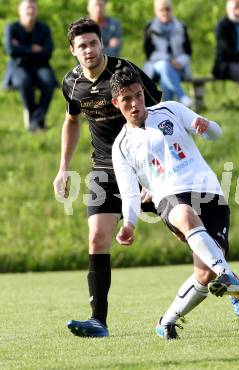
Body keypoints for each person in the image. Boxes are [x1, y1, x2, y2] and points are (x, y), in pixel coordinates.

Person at [110, 67, 239, 340]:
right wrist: (129, 223)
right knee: (185, 216)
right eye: (127, 99)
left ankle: (166, 321)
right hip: (169, 196)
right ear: (116, 102)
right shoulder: (122, 146)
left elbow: (215, 133)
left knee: (205, 272)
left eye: (138, 95)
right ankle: (231, 281)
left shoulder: (170, 109)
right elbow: (129, 193)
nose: (135, 103)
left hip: (209, 192)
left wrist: (207, 128)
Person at [52, 17, 161, 338]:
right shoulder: (72, 83)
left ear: (102, 43)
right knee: (97, 238)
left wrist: (153, 174)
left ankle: (217, 270)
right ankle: (98, 320)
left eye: (93, 43)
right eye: (82, 46)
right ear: (73, 50)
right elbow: (71, 120)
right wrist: (63, 167)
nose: (88, 50)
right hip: (104, 168)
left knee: (183, 225)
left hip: (143, 166)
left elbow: (158, 114)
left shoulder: (124, 72)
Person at [3, 0, 57, 131]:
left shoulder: (44, 28)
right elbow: (10, 50)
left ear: (37, 11)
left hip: (41, 66)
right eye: (27, 8)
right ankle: (36, 122)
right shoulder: (12, 28)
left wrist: (22, 49)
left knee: (49, 82)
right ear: (19, 10)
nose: (30, 11)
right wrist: (32, 49)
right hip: (18, 67)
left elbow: (48, 51)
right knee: (24, 81)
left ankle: (35, 121)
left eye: (33, 8)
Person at [143, 0, 193, 106]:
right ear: (156, 12)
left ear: (172, 10)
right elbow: (149, 53)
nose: (165, 12)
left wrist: (179, 61)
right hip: (156, 65)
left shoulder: (181, 27)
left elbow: (188, 52)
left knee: (165, 77)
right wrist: (168, 59)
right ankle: (182, 95)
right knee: (164, 66)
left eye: (168, 9)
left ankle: (168, 109)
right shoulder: (150, 28)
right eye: (161, 10)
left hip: (178, 66)